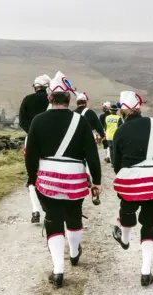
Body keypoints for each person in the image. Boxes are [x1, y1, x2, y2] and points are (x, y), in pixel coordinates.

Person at [25, 71, 102, 288]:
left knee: (53, 219)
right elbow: (92, 155)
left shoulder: (38, 121)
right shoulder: (81, 121)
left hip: (47, 180)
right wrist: (96, 180)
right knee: (74, 215)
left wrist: (32, 178)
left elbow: (31, 155)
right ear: (69, 99)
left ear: (50, 98)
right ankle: (75, 252)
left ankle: (58, 270)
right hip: (75, 179)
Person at [111, 91, 153, 286]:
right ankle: (146, 271)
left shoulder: (120, 132)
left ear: (122, 111)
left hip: (131, 180)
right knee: (149, 225)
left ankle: (124, 238)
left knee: (128, 209)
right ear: (139, 108)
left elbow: (117, 165)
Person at [19, 74, 51, 223]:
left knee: (32, 174)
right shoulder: (52, 100)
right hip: (51, 141)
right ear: (47, 86)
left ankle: (35, 210)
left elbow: (22, 121)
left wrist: (31, 133)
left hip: (31, 140)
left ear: (35, 86)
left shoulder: (27, 99)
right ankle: (50, 208)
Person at [104, 103, 123, 167]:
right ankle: (116, 163)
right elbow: (121, 128)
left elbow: (105, 127)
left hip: (108, 136)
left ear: (111, 110)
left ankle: (112, 163)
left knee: (111, 149)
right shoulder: (118, 118)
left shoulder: (107, 117)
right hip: (115, 136)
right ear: (116, 111)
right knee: (116, 150)